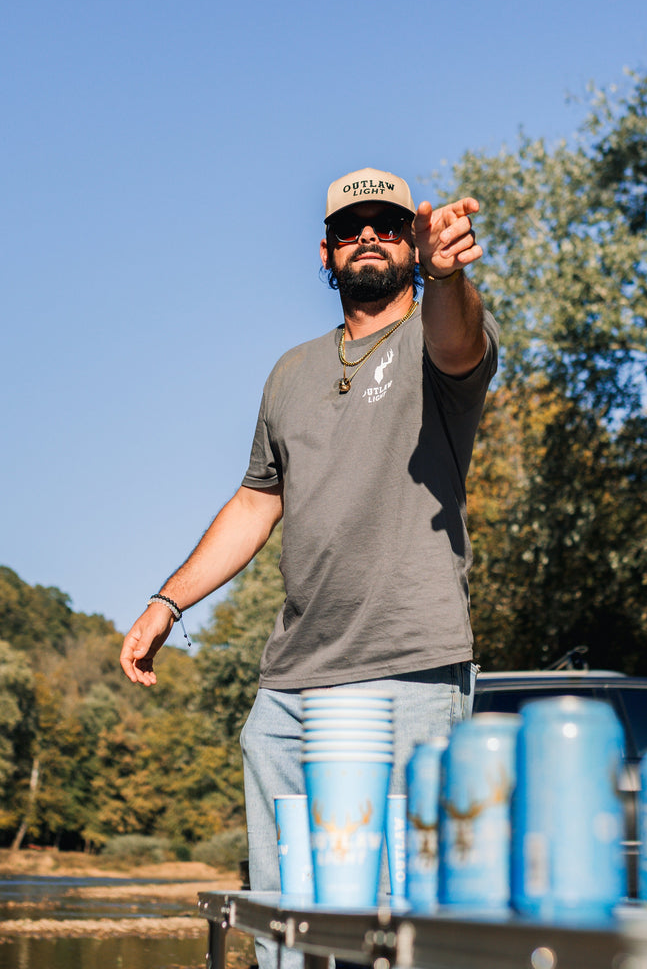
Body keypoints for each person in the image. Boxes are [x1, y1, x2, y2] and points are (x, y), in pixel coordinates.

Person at [120, 167, 498, 965]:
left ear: (412, 244)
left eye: (389, 225)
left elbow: (460, 338)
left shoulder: (434, 340)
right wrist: (167, 601)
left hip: (409, 670)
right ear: (325, 254)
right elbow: (258, 500)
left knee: (402, 928)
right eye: (351, 226)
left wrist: (450, 274)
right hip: (291, 688)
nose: (370, 235)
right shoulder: (289, 373)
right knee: (285, 925)